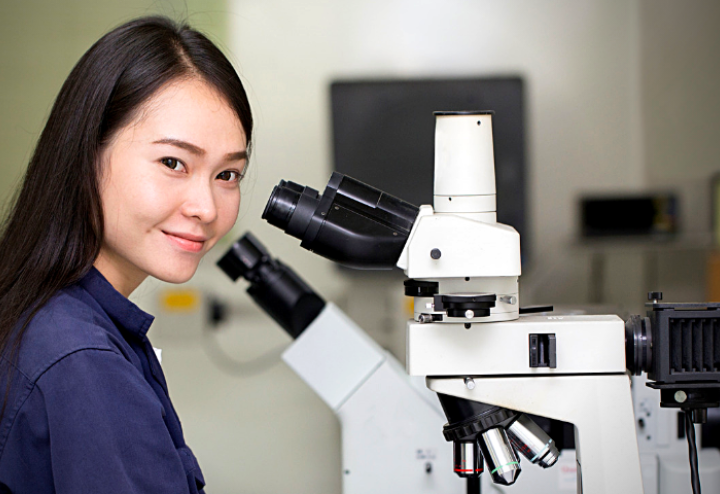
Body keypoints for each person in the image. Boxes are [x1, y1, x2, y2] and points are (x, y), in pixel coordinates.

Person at [0, 16, 252, 494]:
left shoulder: (44, 315)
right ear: (86, 153)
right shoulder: (83, 363)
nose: (205, 208)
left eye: (228, 175)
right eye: (173, 163)